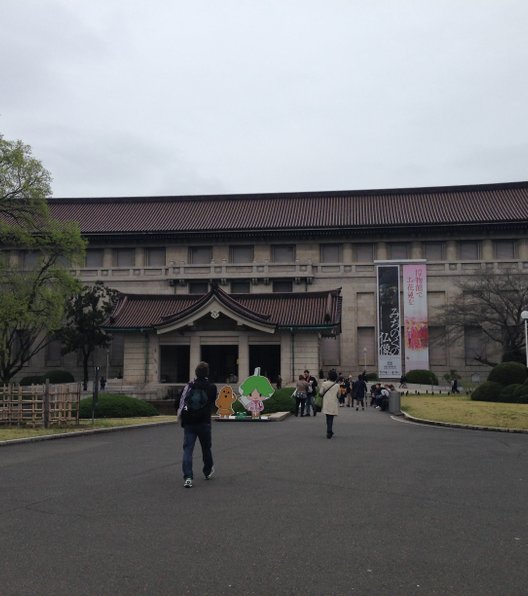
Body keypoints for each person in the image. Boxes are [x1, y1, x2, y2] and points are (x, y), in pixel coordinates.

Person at [177, 361, 218, 488]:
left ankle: (188, 477)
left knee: (188, 450)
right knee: (206, 448)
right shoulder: (211, 387)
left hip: (189, 423)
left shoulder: (189, 386)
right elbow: (213, 403)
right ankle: (207, 471)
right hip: (204, 422)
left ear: (195, 372)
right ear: (207, 373)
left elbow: (178, 402)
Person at [320, 369, 340, 439]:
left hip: (326, 402)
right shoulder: (337, 385)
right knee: (331, 417)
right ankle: (329, 430)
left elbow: (321, 393)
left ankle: (329, 430)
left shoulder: (324, 384)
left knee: (327, 416)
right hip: (333, 402)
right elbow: (339, 395)